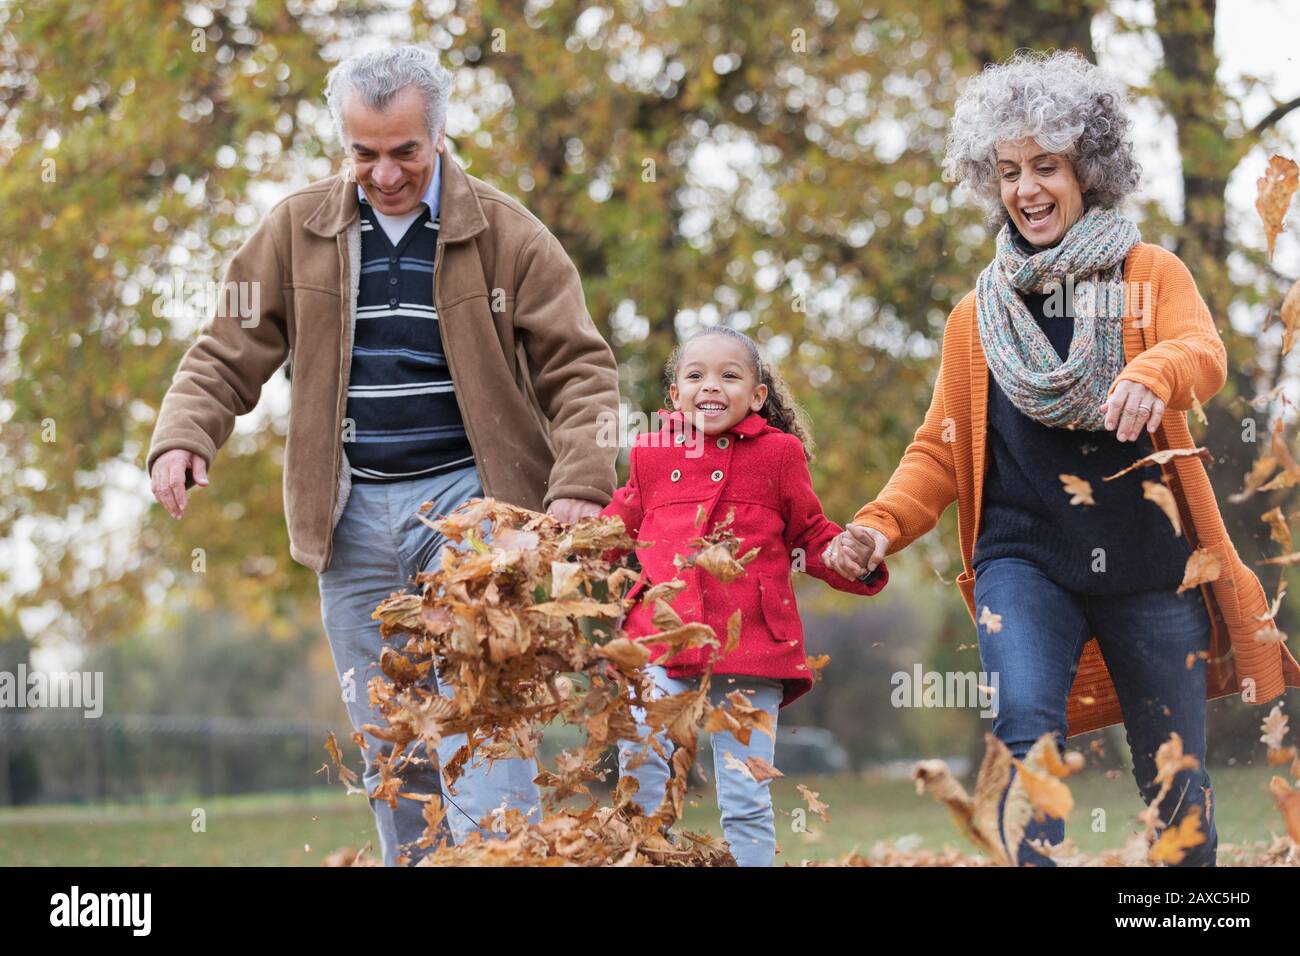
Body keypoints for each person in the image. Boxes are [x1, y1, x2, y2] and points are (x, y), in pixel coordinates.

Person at [146, 46, 621, 865]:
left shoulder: (504, 232)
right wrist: (185, 434)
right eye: (364, 153)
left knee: (482, 717)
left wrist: (580, 480)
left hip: (473, 510)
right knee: (392, 744)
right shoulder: (298, 230)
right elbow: (225, 346)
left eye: (405, 151)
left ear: (438, 136)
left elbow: (580, 367)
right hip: (352, 516)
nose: (386, 172)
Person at [824, 49, 1300, 867]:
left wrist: (1154, 370)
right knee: (1025, 732)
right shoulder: (978, 317)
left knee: (1177, 785)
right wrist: (876, 527)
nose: (1027, 189)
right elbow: (936, 452)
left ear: (1089, 170)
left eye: (1047, 166)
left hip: (1153, 567)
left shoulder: (1149, 276)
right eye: (1009, 171)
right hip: (1024, 561)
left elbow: (1203, 352)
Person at [600, 325, 888, 866]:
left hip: (749, 649)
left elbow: (810, 534)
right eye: (696, 375)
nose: (711, 385)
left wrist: (853, 558)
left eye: (729, 376)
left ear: (757, 395)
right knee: (641, 768)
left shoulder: (779, 455)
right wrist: (566, 552)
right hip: (658, 641)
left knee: (744, 793)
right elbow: (619, 526)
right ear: (675, 395)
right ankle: (639, 857)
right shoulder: (651, 452)